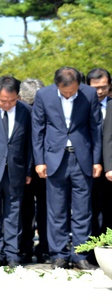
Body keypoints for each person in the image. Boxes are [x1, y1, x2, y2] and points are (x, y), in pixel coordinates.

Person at [32, 66, 102, 270]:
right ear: (57, 86)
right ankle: (59, 255)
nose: (70, 94)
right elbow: (38, 129)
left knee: (82, 210)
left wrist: (96, 160)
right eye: (66, 92)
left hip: (82, 158)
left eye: (73, 91)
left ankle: (80, 254)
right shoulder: (43, 95)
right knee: (56, 210)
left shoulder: (89, 94)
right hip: (55, 158)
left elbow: (96, 128)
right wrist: (39, 161)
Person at [0, 76, 33, 268]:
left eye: (11, 100)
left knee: (14, 214)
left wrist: (28, 170)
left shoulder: (26, 111)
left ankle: (12, 253)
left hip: (16, 170)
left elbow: (29, 144)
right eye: (3, 101)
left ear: (18, 96)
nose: (7, 104)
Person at [18, 78, 49, 264]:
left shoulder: (22, 111)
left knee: (27, 210)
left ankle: (28, 247)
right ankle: (42, 248)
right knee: (41, 210)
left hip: (33, 168)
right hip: (39, 167)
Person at [86, 68, 112, 237]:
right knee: (89, 208)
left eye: (104, 86)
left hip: (110, 167)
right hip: (88, 165)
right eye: (96, 87)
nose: (100, 91)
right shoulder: (81, 105)